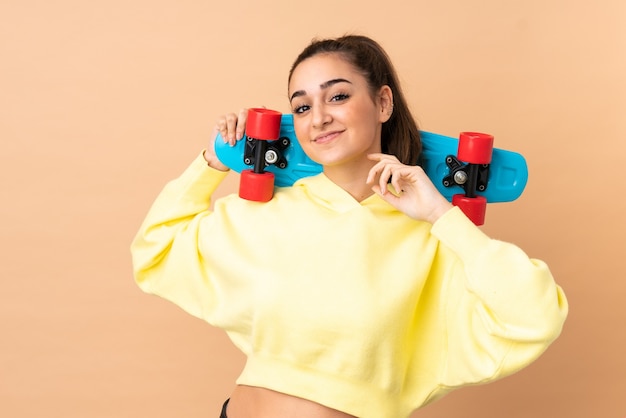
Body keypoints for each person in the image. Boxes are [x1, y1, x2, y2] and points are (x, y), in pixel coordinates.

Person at [131, 35, 568, 418]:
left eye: (337, 97)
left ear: (383, 103)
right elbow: (156, 251)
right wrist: (212, 161)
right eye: (301, 106)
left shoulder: (431, 237)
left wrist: (439, 214)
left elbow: (534, 316)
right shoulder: (264, 214)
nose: (318, 117)